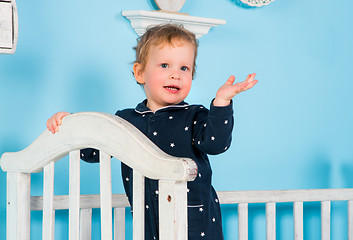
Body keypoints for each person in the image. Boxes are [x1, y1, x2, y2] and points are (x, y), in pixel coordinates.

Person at [47, 24, 258, 240]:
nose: (175, 75)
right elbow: (94, 152)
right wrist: (71, 123)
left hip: (195, 223)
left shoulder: (194, 115)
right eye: (165, 65)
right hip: (148, 223)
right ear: (140, 73)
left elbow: (216, 144)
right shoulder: (126, 120)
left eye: (184, 68)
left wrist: (222, 102)